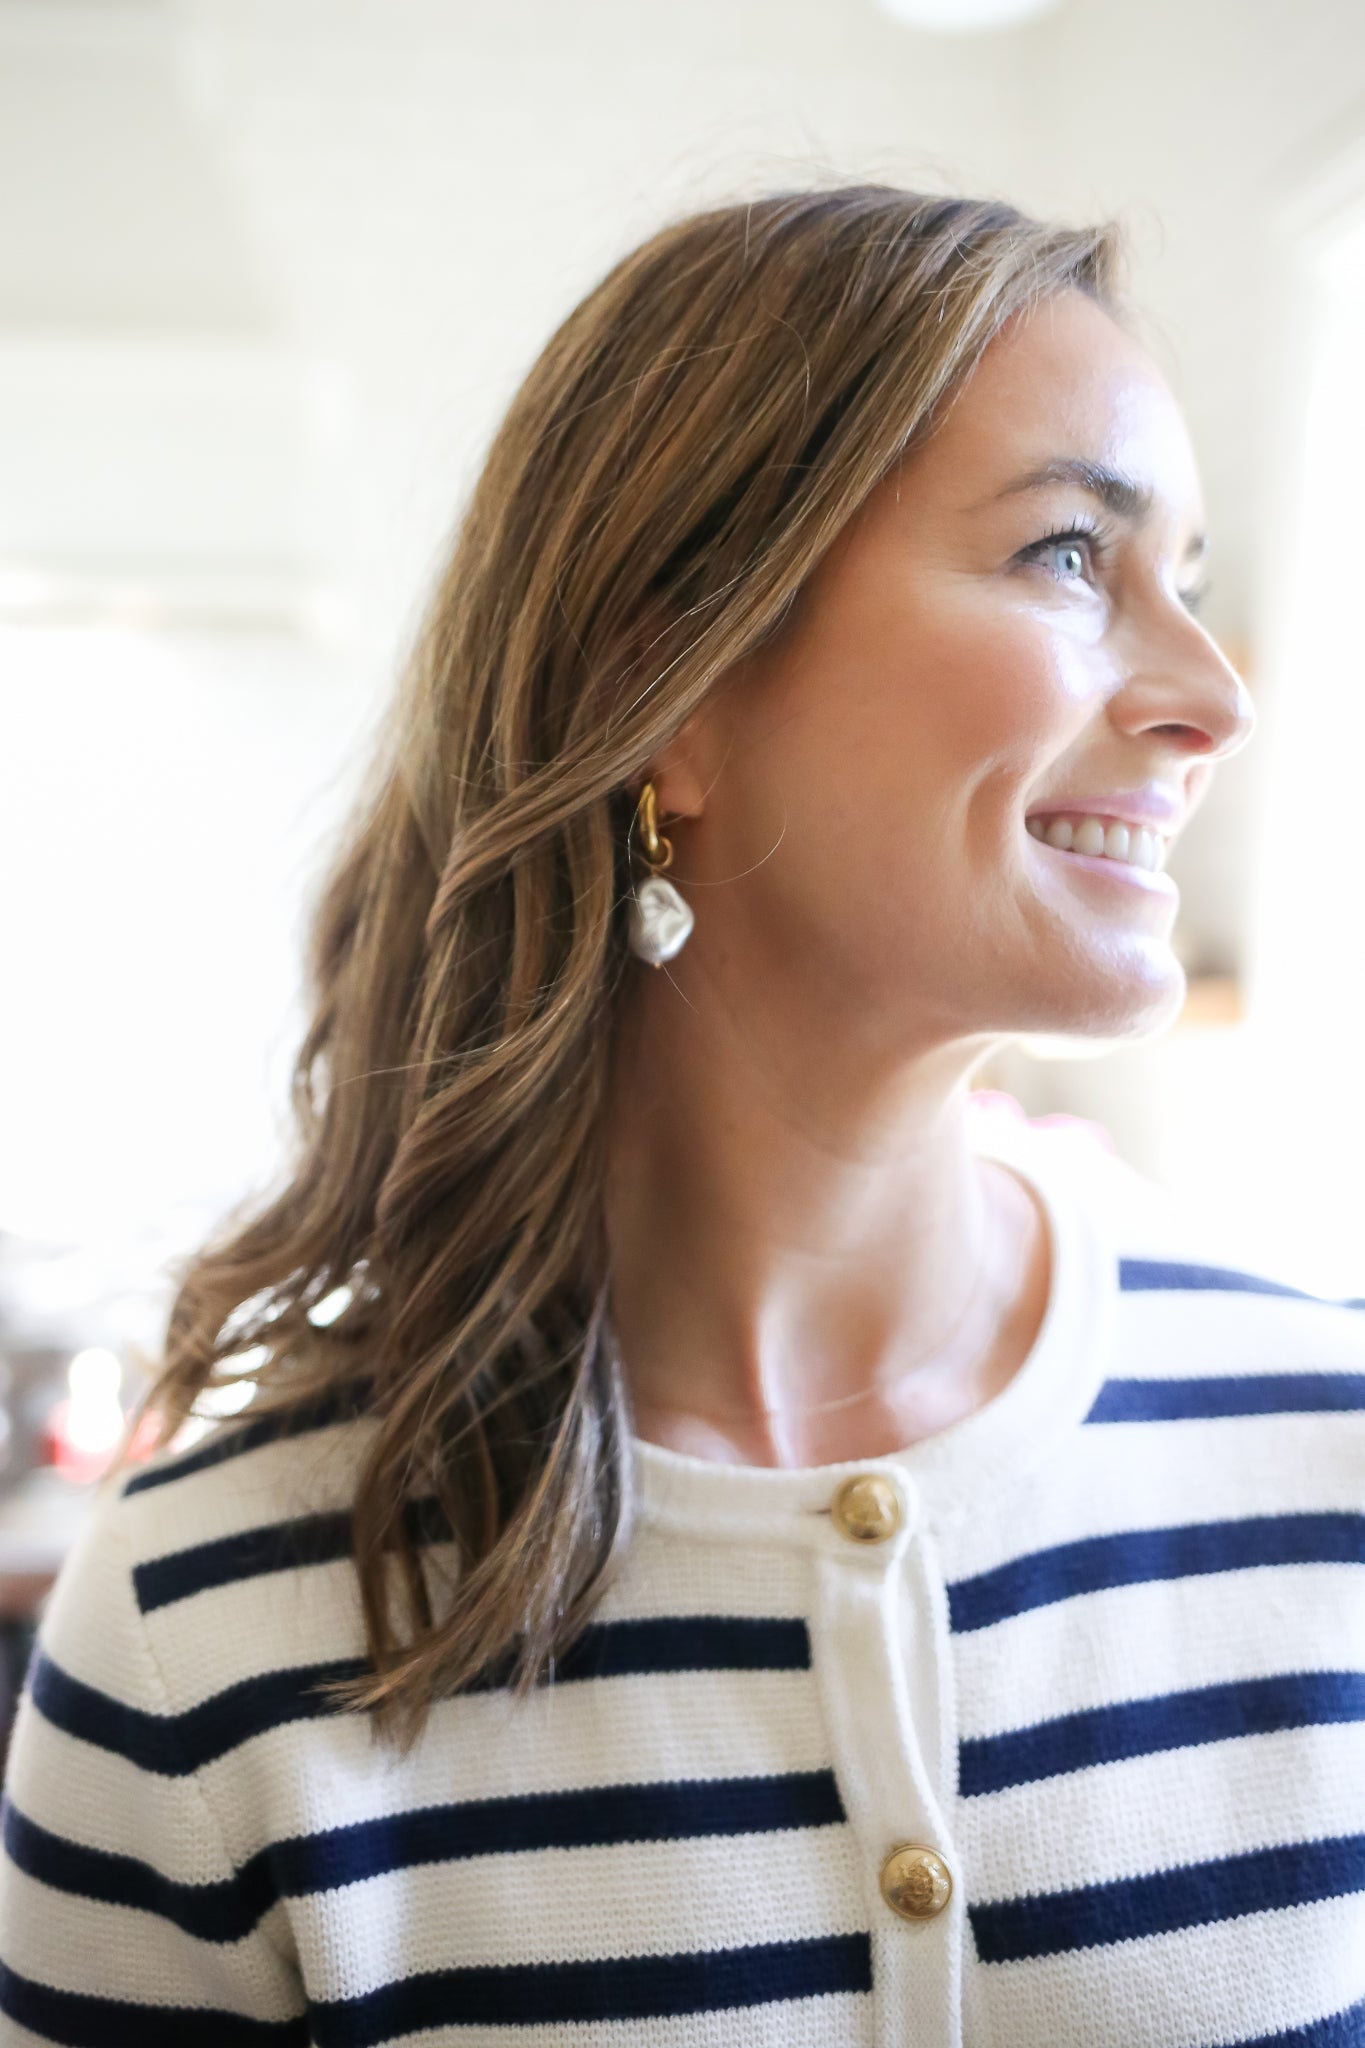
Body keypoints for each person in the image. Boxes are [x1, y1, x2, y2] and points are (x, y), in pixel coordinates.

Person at [2, 183, 1361, 2048]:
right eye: (1067, 555)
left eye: (1185, 583)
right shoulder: (204, 1625)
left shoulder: (1327, 1454)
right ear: (677, 681)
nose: (1215, 697)